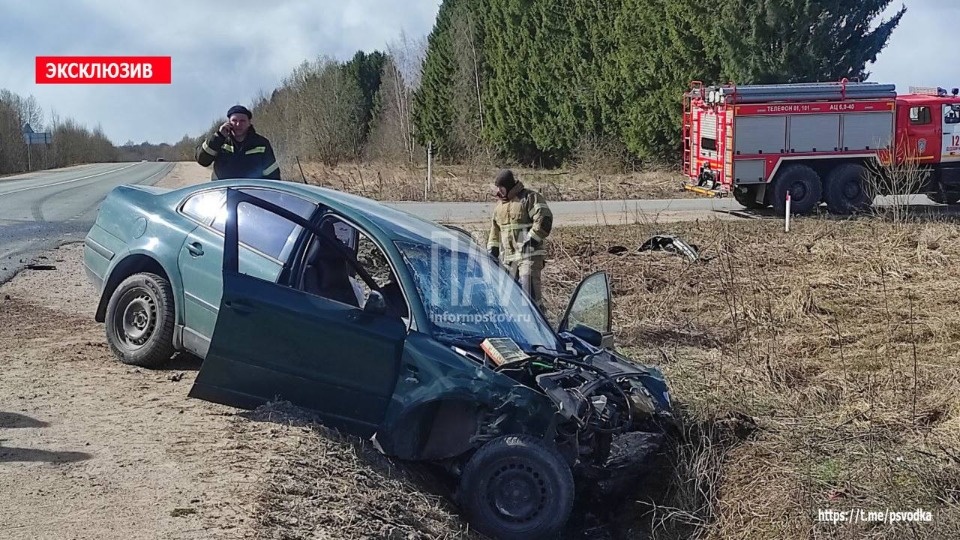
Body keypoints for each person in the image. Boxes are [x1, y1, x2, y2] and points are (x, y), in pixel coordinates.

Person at [486, 169, 553, 314]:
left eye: (501, 188)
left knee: (530, 296)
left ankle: (541, 328)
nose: (499, 191)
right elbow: (494, 231)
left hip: (529, 257)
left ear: (509, 186)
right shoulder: (499, 207)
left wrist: (531, 240)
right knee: (510, 300)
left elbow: (544, 219)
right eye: (497, 188)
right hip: (508, 260)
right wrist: (492, 250)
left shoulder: (529, 198)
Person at [195, 105, 281, 180]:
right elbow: (202, 161)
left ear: (249, 123)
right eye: (234, 120)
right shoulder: (219, 141)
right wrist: (219, 137)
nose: (238, 124)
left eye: (242, 121)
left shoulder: (261, 143)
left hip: (253, 194)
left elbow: (272, 175)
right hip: (222, 193)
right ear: (228, 122)